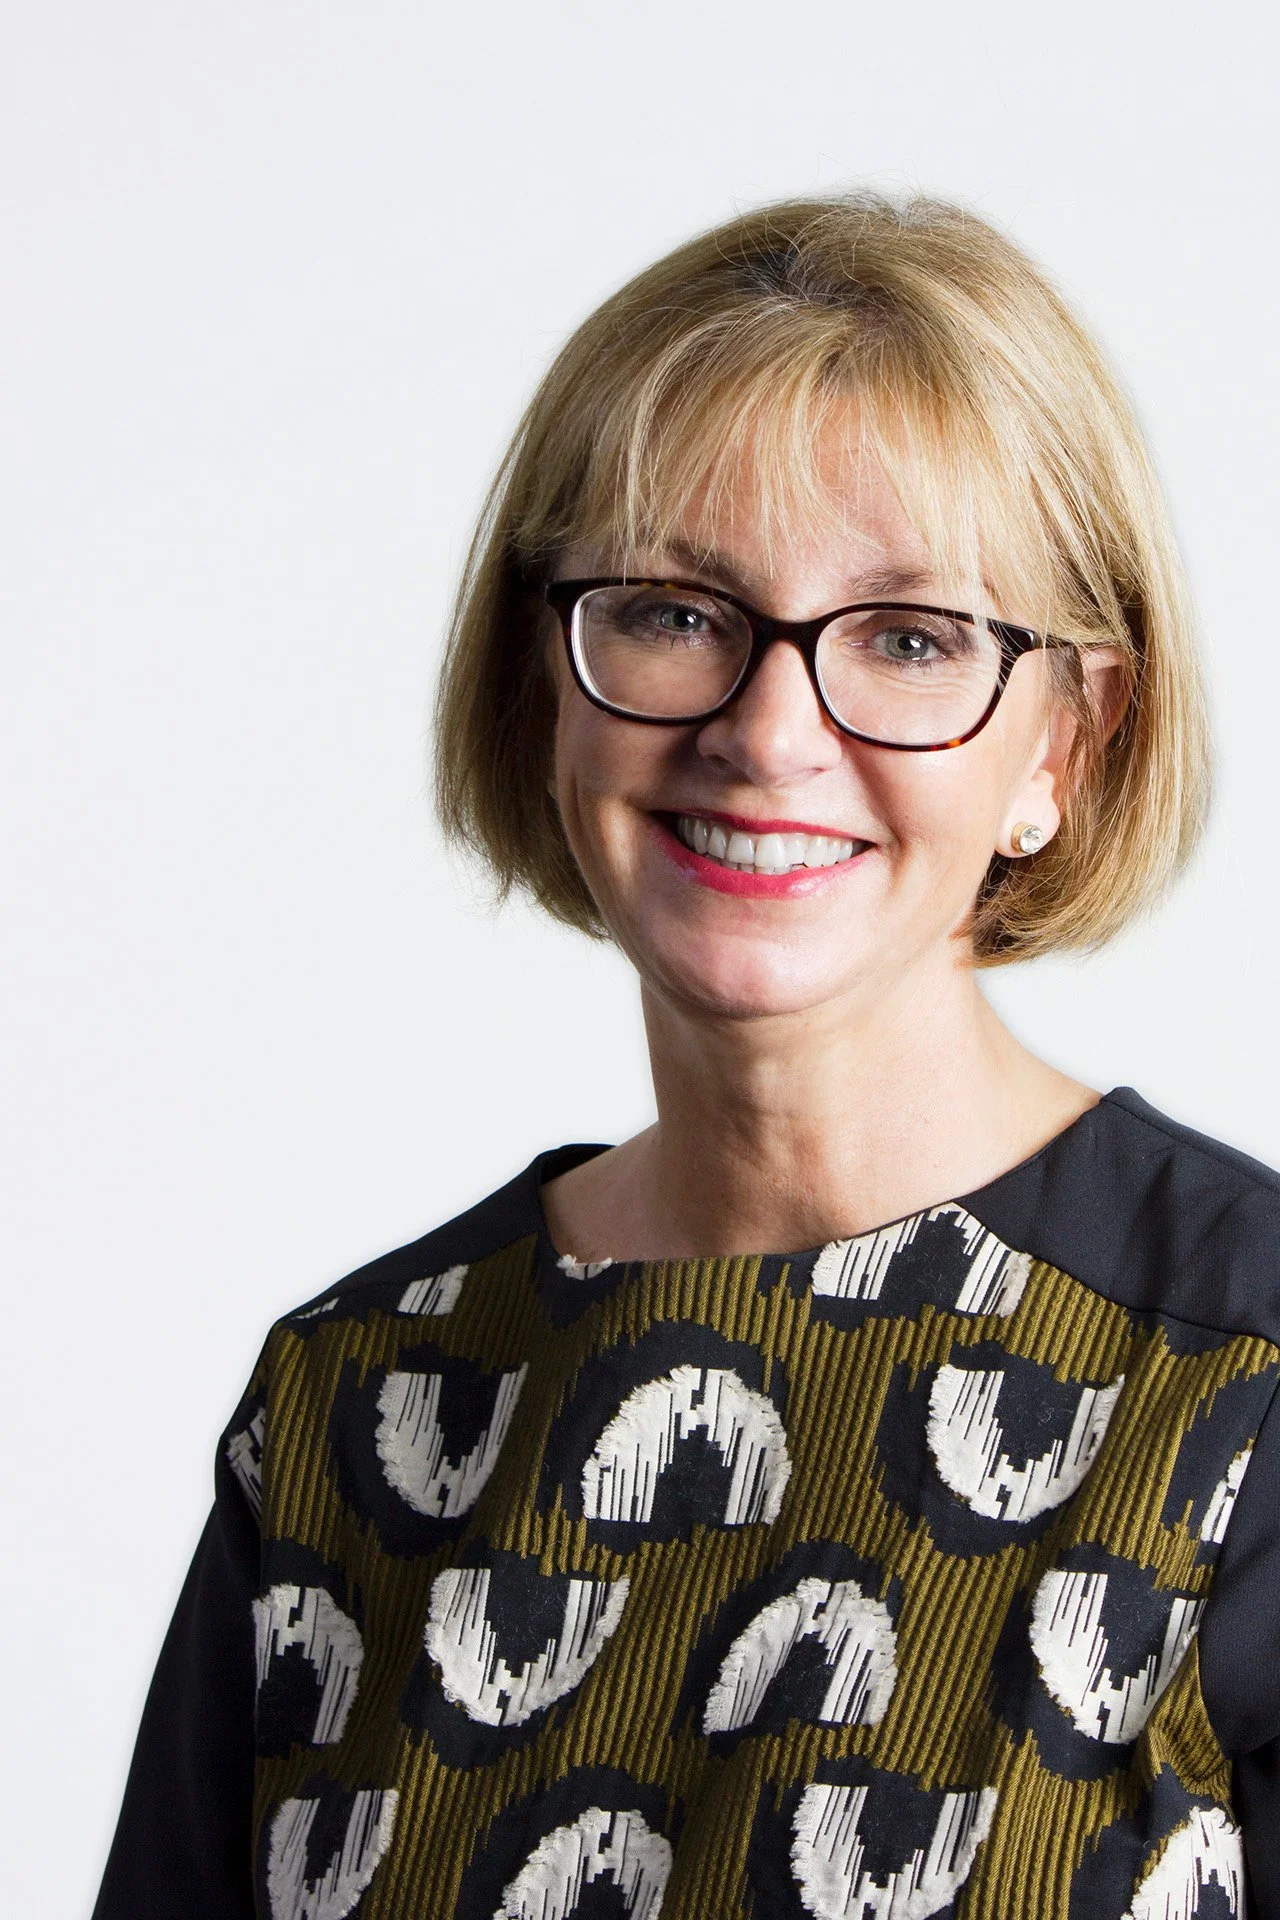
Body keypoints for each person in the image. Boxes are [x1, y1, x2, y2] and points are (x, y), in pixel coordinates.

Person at [93, 193, 1280, 1920]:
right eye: (673, 610)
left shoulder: (1244, 1385)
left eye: (911, 637)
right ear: (544, 682)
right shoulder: (349, 1408)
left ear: (1069, 747)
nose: (769, 732)